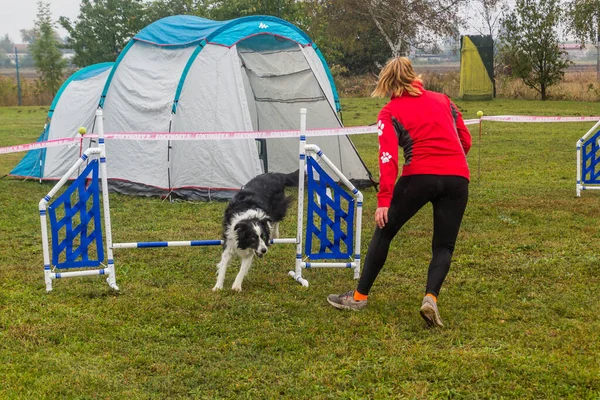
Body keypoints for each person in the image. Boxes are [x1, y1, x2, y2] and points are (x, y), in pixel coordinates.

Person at [327, 57, 471, 327]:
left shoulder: (389, 112)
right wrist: (449, 163)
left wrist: (383, 200)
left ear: (387, 83)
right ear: (414, 75)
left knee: (385, 231)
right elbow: (465, 140)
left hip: (418, 176)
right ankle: (430, 297)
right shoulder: (444, 100)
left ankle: (358, 296)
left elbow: (388, 158)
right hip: (457, 177)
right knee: (443, 246)